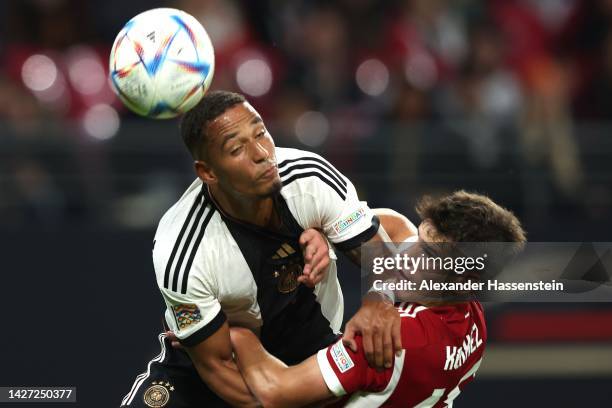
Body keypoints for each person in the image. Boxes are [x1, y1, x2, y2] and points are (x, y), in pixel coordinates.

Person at [120, 91, 409, 408]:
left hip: (311, 353)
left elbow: (384, 242)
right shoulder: (183, 252)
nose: (261, 153)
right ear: (208, 172)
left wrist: (377, 304)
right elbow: (218, 368)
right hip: (210, 381)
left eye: (260, 133)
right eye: (236, 148)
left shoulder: (310, 178)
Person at [229, 191, 527, 407]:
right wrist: (326, 232)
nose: (408, 255)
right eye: (423, 238)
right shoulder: (471, 316)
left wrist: (232, 324)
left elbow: (275, 391)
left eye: (428, 255)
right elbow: (396, 226)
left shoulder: (389, 340)